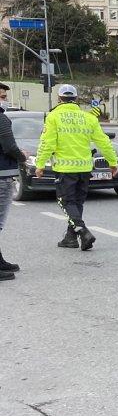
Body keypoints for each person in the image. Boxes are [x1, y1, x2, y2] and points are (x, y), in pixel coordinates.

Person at [34, 84, 118, 252]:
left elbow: (47, 143)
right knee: (77, 202)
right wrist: (113, 162)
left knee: (64, 201)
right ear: (76, 99)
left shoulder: (53, 117)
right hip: (85, 168)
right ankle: (70, 238)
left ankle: (82, 231)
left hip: (65, 169)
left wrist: (40, 164)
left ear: (59, 99)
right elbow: (103, 141)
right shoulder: (88, 118)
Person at [0, 82, 26, 279]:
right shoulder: (1, 120)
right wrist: (23, 156)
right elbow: (9, 147)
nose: (5, 100)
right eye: (2, 97)